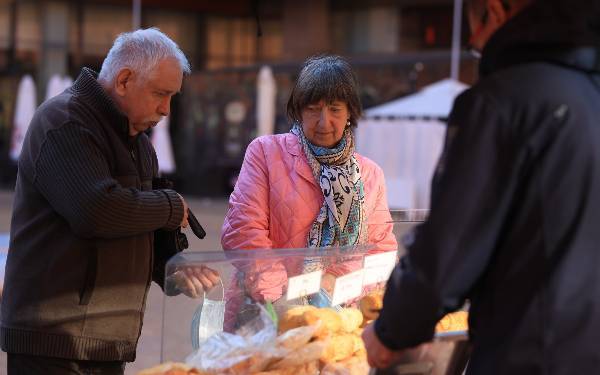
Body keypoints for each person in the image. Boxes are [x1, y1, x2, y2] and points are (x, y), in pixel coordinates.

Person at [363, 0, 600, 373]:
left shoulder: (501, 102)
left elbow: (448, 251)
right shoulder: (588, 92)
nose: (474, 42)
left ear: (495, 11)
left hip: (531, 355)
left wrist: (390, 332)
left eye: (474, 27)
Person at [0, 28, 215, 375]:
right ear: (124, 80)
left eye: (172, 97)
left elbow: (141, 225)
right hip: (53, 338)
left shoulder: (140, 141)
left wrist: (174, 268)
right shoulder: (65, 121)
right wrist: (171, 206)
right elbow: (96, 210)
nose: (166, 108)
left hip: (106, 339)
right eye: (161, 94)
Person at [221, 55, 397, 330]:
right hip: (263, 315)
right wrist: (284, 300)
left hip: (338, 320)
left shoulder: (370, 174)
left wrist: (332, 289)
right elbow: (243, 231)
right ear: (299, 110)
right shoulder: (266, 153)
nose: (324, 122)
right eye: (314, 109)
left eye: (335, 109)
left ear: (350, 112)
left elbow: (380, 250)